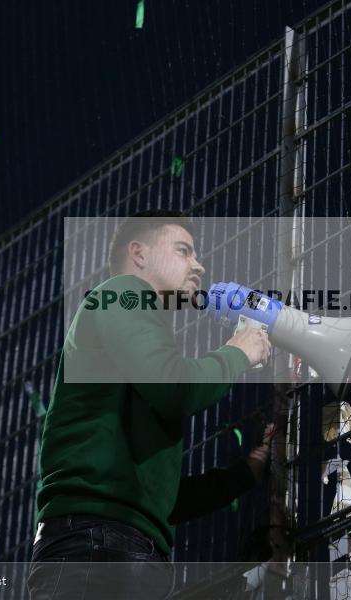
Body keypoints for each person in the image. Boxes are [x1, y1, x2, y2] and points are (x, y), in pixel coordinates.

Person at [26, 210, 274, 599]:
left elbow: (157, 499)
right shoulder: (120, 293)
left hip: (107, 545)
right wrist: (238, 352)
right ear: (138, 254)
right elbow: (176, 388)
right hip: (101, 548)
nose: (198, 264)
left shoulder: (130, 332)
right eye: (183, 251)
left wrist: (247, 472)